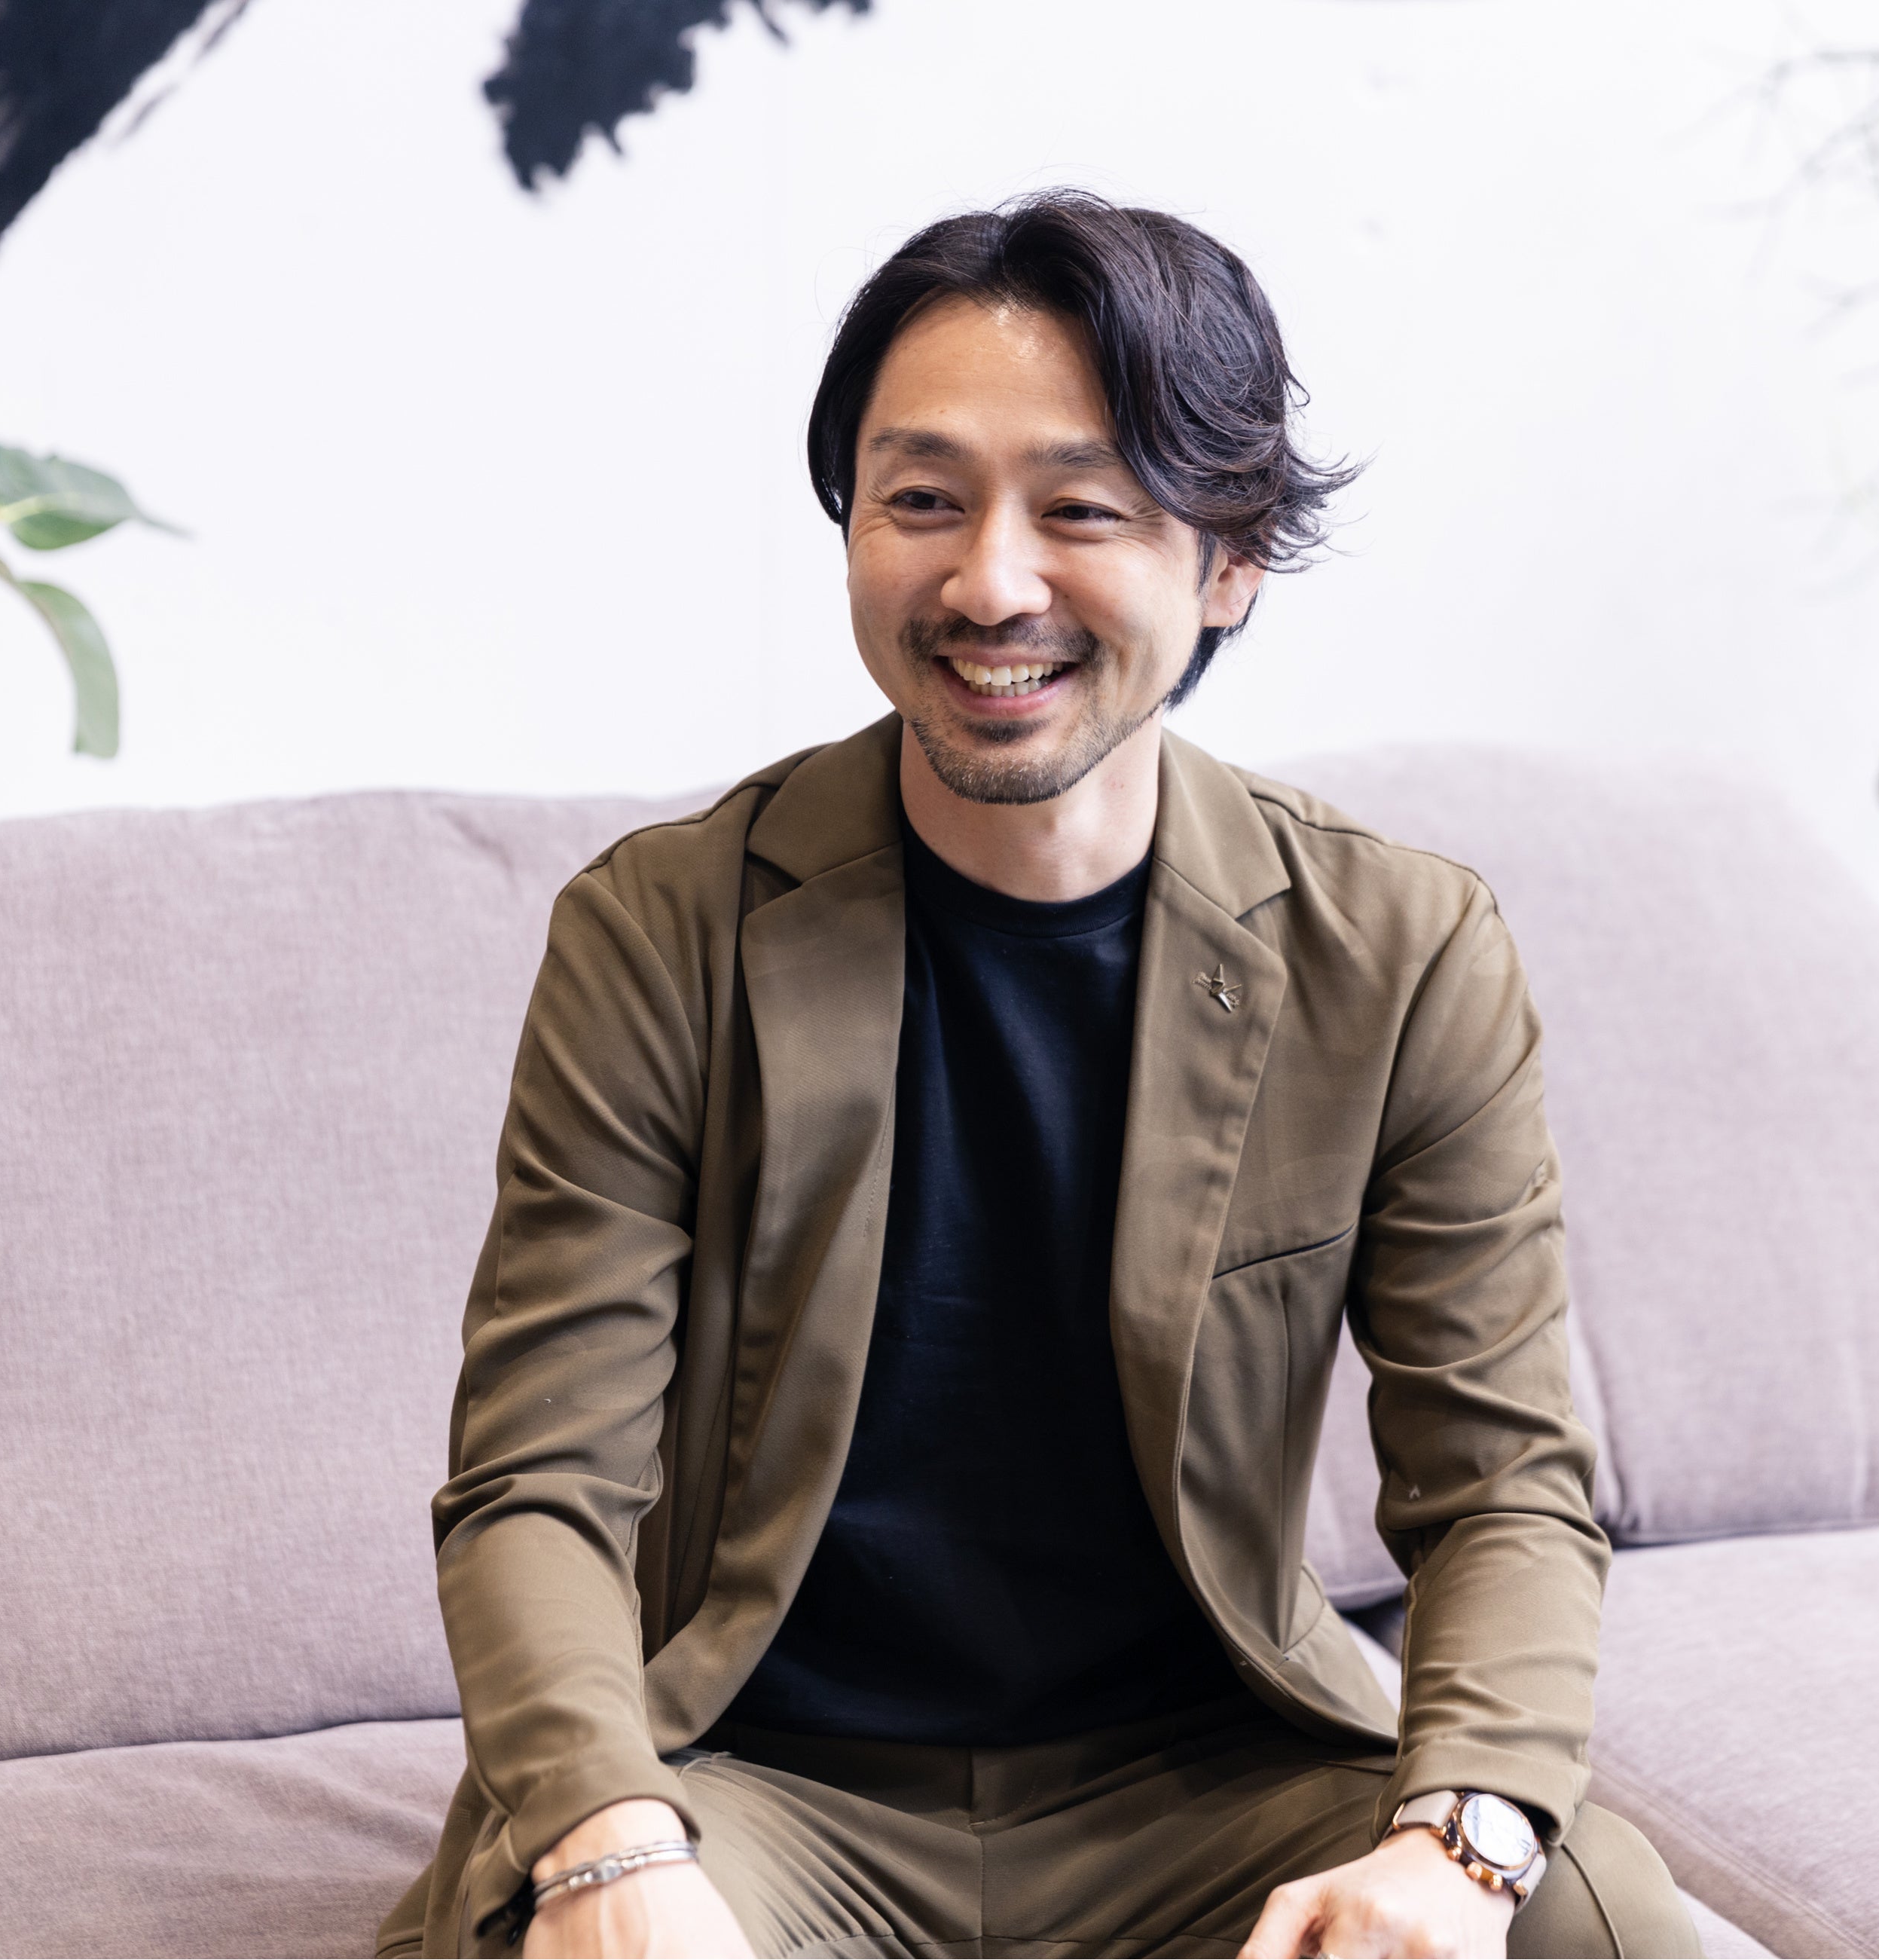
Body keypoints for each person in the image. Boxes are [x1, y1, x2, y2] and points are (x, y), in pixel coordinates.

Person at [379, 191, 1700, 1960]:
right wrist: (608, 1849)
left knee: (1594, 1918)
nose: (990, 581)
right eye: (922, 499)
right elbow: (535, 1478)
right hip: (756, 1778)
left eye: (1082, 508)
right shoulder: (661, 931)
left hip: (1210, 1777)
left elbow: (1503, 1482)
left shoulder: (1401, 952)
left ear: (1231, 559)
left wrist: (1458, 1846)